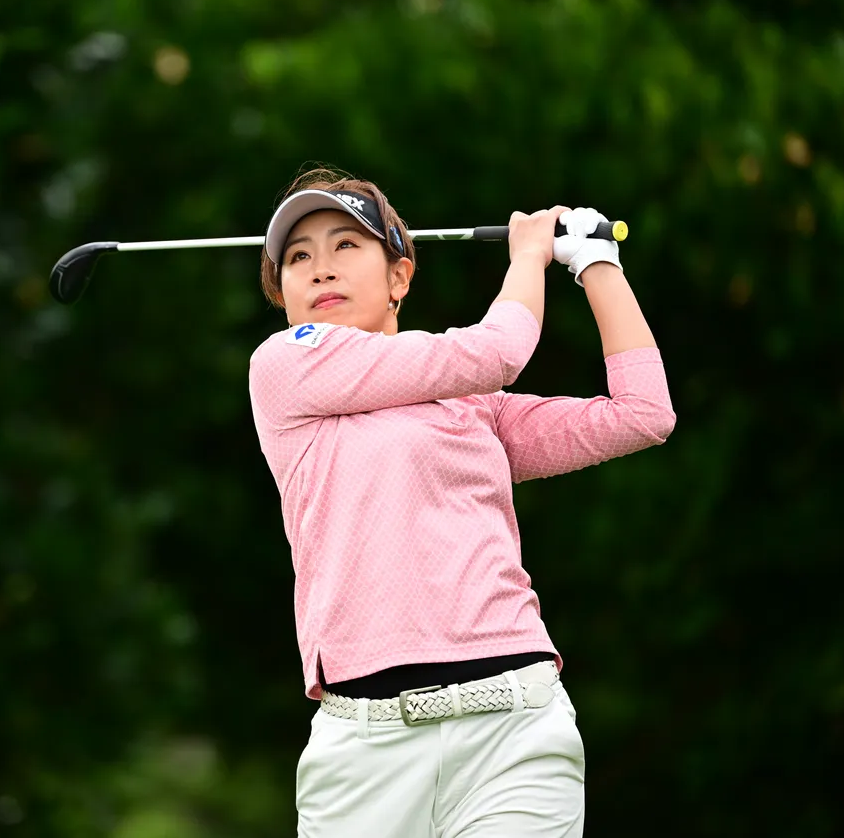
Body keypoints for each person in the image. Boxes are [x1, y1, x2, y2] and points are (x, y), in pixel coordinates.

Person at [247, 168, 676, 838]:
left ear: (400, 276)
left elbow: (643, 414)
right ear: (285, 294)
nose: (321, 268)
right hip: (365, 750)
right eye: (299, 257)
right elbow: (498, 351)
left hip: (514, 730)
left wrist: (597, 262)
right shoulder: (286, 365)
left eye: (346, 245)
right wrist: (529, 255)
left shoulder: (472, 405)